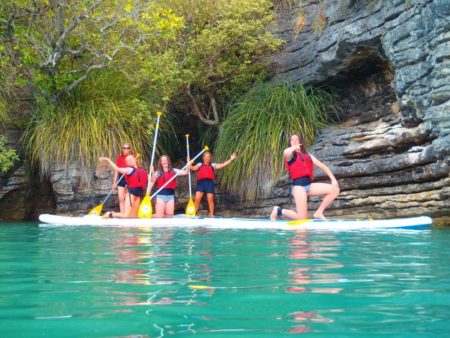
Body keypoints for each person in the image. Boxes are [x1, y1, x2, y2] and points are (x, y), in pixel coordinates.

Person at [270, 134, 339, 221]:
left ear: (300, 142)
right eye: (292, 140)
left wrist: (333, 179)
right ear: (290, 143)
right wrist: (294, 148)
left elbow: (322, 166)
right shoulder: (290, 155)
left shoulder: (308, 155)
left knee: (335, 189)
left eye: (297, 139)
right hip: (298, 187)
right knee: (302, 219)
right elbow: (286, 152)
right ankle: (278, 210)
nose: (295, 141)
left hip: (309, 185)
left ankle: (319, 212)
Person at [190, 151, 237, 217]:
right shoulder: (200, 164)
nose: (207, 158)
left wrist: (231, 159)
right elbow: (192, 168)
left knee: (210, 200)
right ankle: (193, 214)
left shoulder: (213, 165)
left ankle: (211, 215)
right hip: (201, 183)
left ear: (210, 158)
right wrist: (189, 163)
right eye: (205, 156)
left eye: (208, 157)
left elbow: (222, 165)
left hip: (209, 183)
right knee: (197, 199)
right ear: (203, 158)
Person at [114, 143, 132, 213]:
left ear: (129, 149)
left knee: (127, 197)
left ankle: (127, 213)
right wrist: (114, 182)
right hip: (121, 178)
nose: (126, 149)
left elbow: (135, 169)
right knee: (121, 198)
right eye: (124, 148)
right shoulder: (119, 158)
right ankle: (122, 213)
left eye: (128, 148)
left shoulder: (132, 158)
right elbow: (116, 170)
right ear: (122, 149)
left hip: (129, 178)